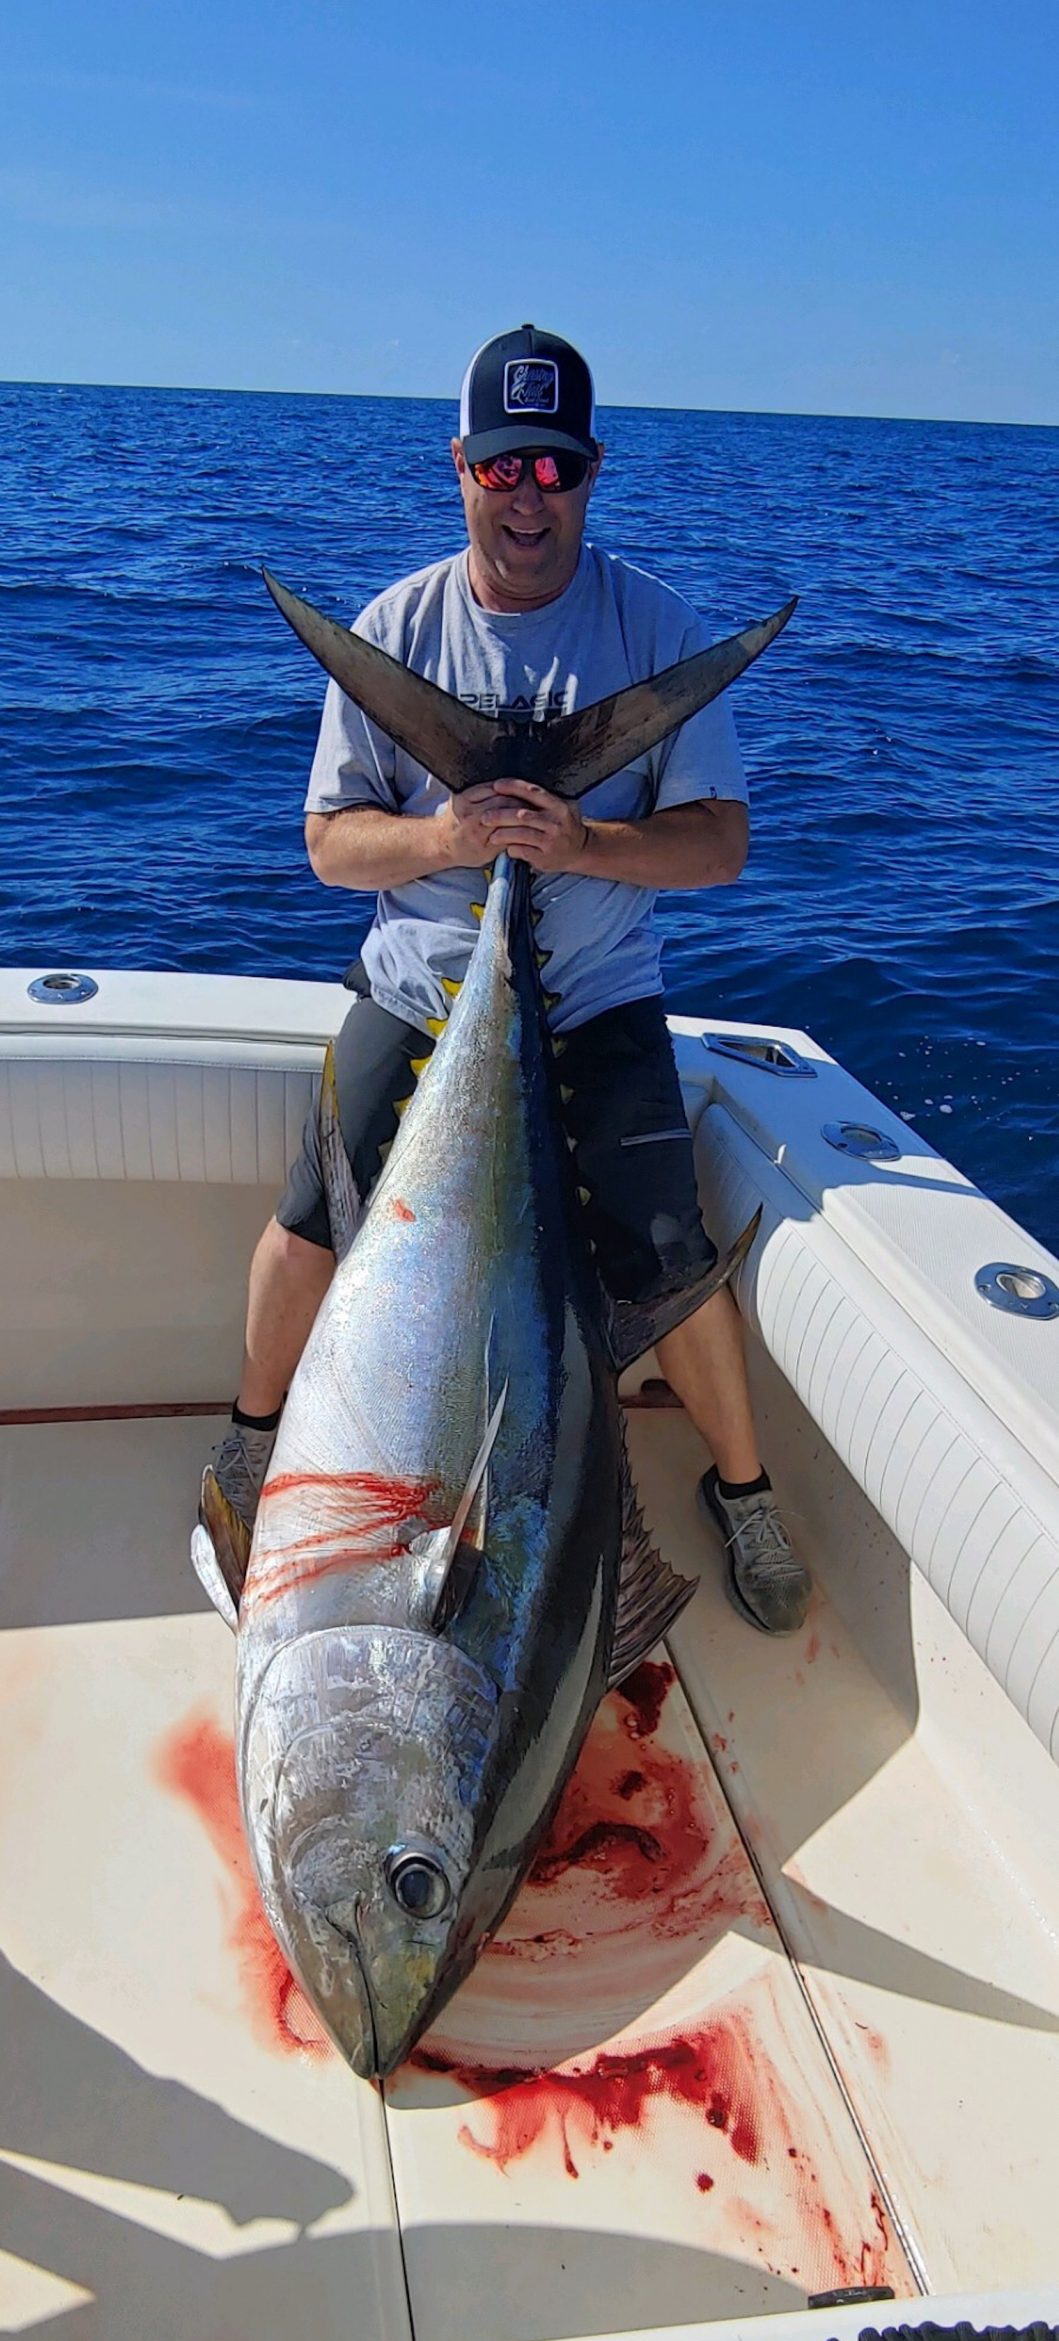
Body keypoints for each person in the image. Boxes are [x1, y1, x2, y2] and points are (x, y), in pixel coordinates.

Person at [211, 324, 810, 1635]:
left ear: (593, 470)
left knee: (669, 1252)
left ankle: (746, 1491)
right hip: (420, 989)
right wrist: (448, 839)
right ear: (461, 468)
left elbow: (722, 842)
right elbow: (328, 844)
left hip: (593, 1000)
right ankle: (251, 1447)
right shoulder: (396, 627)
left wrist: (584, 842)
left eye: (554, 469)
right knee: (314, 1219)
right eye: (503, 468)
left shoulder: (655, 628)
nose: (527, 496)